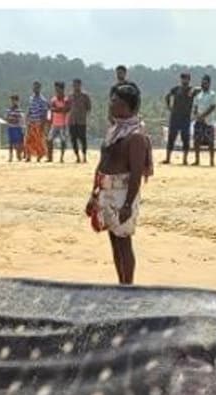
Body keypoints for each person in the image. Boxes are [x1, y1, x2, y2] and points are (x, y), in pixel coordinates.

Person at [86, 83, 151, 285]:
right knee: (114, 241)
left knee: (124, 242)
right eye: (111, 100)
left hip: (123, 194)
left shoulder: (136, 137)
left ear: (127, 106)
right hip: (106, 190)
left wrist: (127, 205)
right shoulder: (113, 131)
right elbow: (102, 164)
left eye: (116, 102)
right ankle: (120, 283)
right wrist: (93, 194)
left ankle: (128, 286)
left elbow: (136, 175)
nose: (111, 105)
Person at [163, 72, 195, 165]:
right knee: (171, 137)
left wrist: (194, 89)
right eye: (183, 78)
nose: (185, 80)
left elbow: (200, 89)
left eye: (187, 79)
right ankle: (168, 158)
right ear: (181, 79)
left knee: (185, 138)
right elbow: (167, 96)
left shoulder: (191, 90)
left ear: (189, 80)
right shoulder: (176, 89)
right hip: (175, 116)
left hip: (185, 117)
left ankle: (185, 160)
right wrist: (169, 107)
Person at [191, 74, 216, 167]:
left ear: (209, 84)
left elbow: (213, 107)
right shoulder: (198, 95)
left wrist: (203, 116)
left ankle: (211, 161)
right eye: (202, 83)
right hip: (198, 121)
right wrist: (197, 115)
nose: (203, 84)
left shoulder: (213, 94)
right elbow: (195, 106)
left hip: (208, 121)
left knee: (210, 142)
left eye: (205, 83)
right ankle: (197, 160)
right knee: (196, 141)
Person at [25, 81, 49, 162]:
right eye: (34, 87)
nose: (35, 89)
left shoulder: (43, 100)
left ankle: (39, 155)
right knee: (28, 140)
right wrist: (27, 118)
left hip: (38, 122)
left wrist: (43, 124)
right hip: (31, 122)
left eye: (36, 87)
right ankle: (28, 156)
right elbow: (29, 109)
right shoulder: (31, 98)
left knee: (38, 140)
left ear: (39, 88)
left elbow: (45, 113)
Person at [68, 79, 92, 163]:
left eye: (77, 85)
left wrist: (84, 115)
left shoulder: (85, 96)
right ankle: (77, 157)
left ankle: (84, 156)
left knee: (83, 139)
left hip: (81, 121)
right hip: (72, 121)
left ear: (80, 85)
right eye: (74, 85)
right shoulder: (70, 96)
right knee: (73, 139)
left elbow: (89, 108)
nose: (75, 87)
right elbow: (68, 107)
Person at [48, 82, 71, 163]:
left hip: (63, 124)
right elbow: (52, 109)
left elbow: (67, 109)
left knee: (63, 141)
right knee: (49, 140)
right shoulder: (53, 99)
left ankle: (62, 157)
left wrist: (57, 109)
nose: (57, 91)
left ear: (62, 89)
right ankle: (50, 157)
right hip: (54, 123)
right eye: (56, 89)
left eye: (58, 89)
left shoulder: (66, 99)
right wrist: (60, 109)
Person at [5, 94, 26, 162]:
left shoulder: (19, 110)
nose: (13, 102)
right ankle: (11, 156)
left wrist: (12, 120)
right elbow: (7, 117)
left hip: (17, 128)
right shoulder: (9, 109)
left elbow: (19, 119)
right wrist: (10, 120)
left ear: (17, 101)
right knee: (11, 143)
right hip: (11, 127)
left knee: (19, 143)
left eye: (14, 100)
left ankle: (19, 155)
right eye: (12, 100)